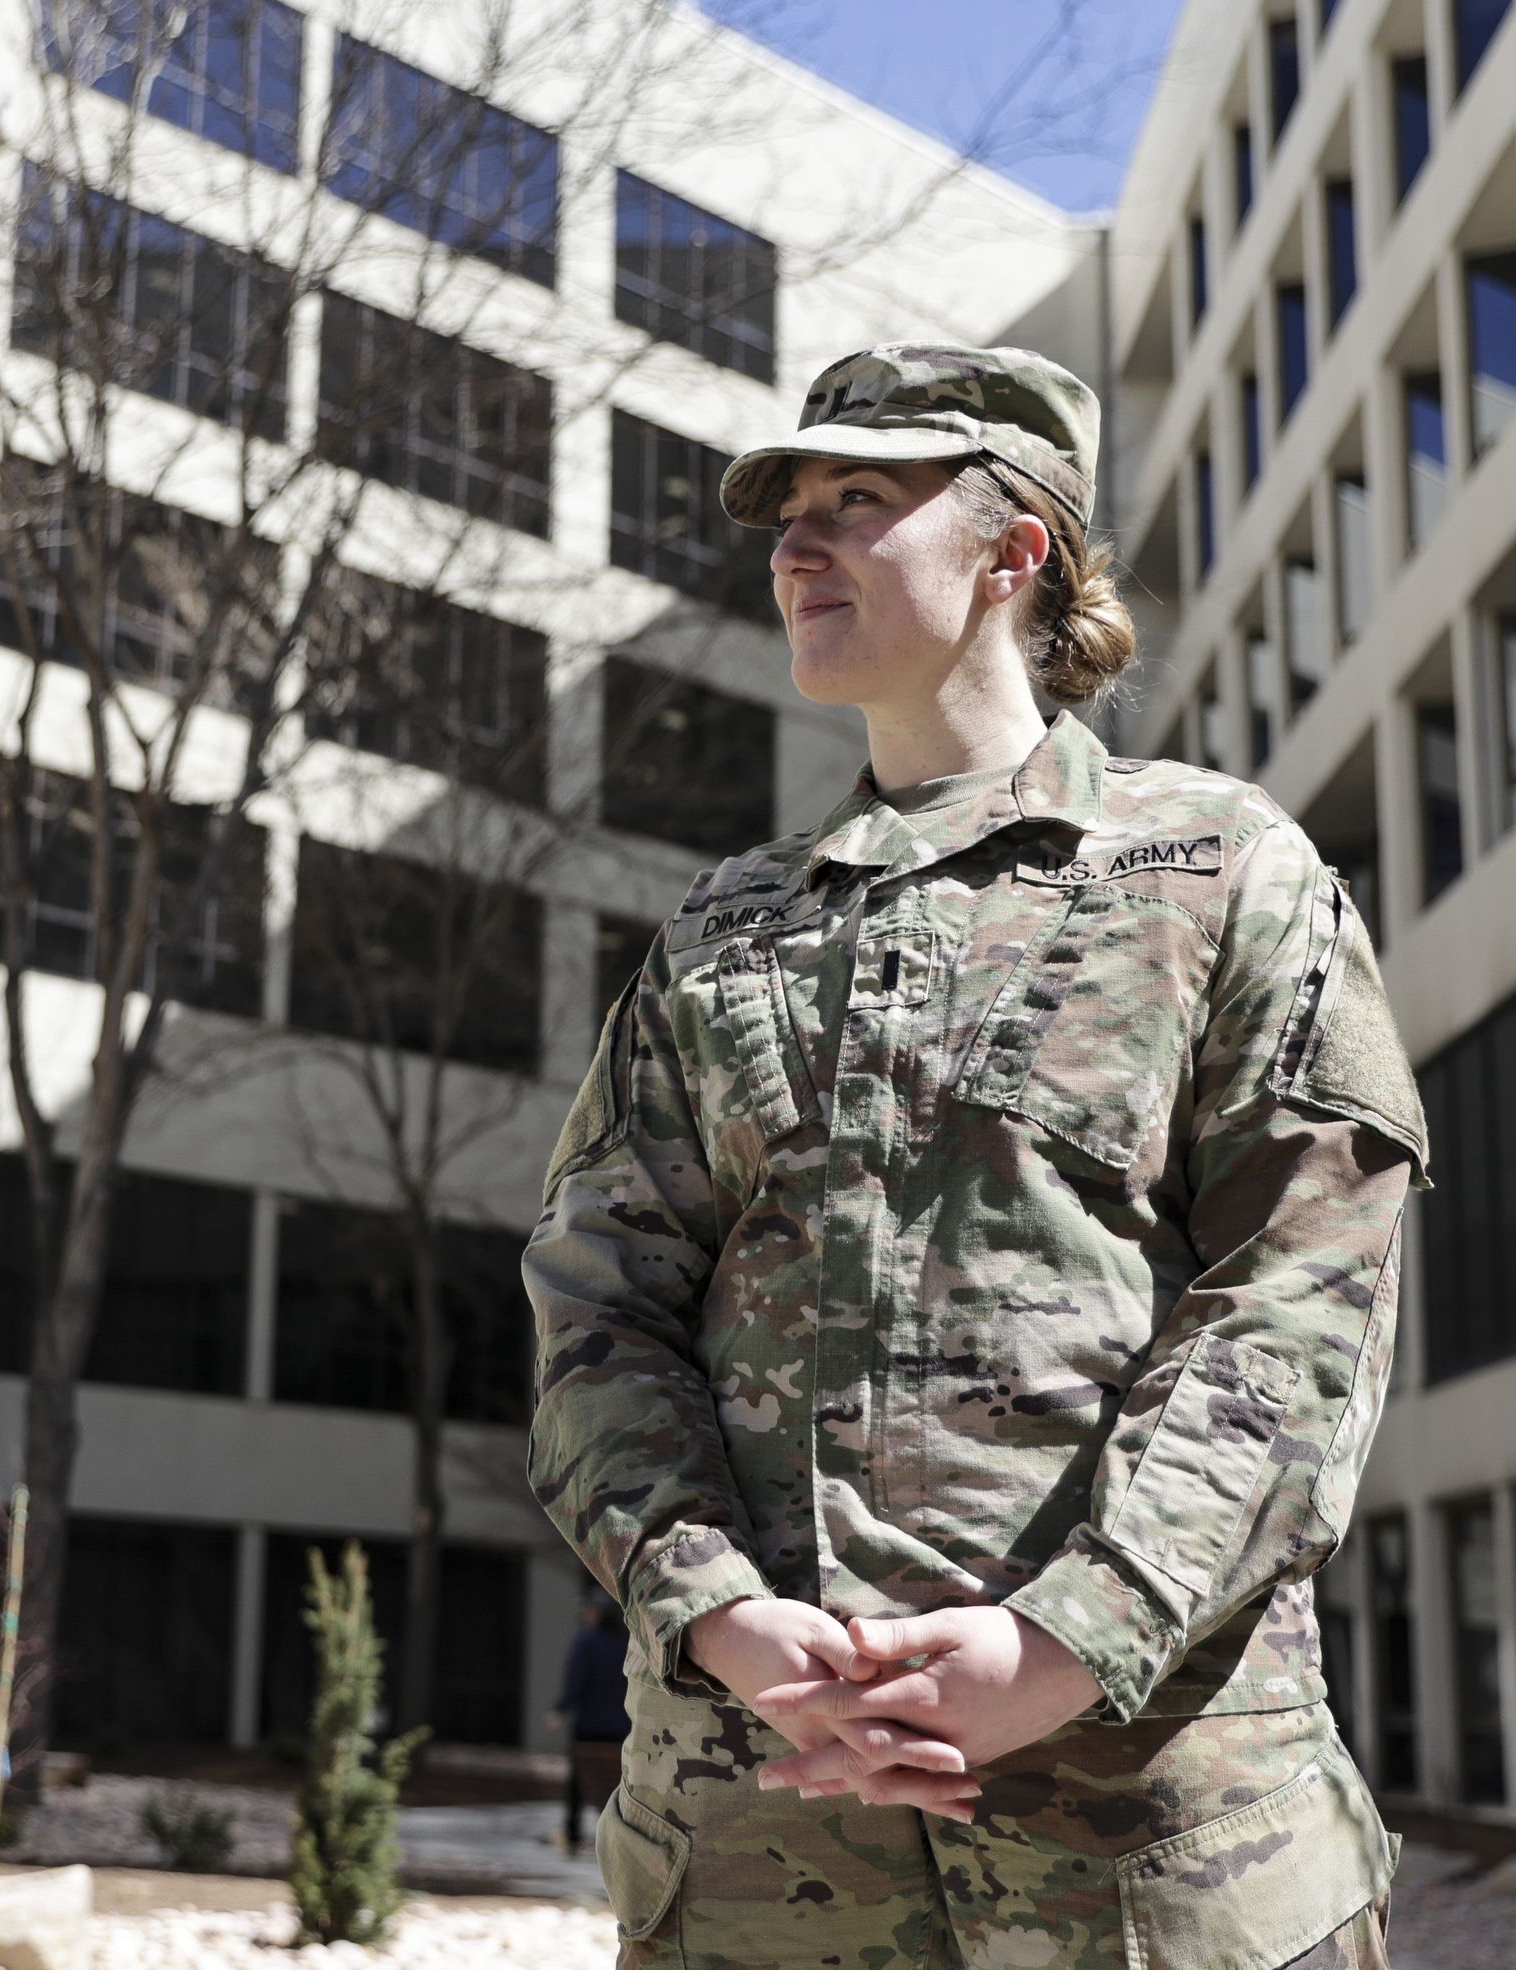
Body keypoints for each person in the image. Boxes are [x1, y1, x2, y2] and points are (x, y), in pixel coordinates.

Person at [523, 343, 1427, 1970]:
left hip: (1157, 1870)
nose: (796, 548)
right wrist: (728, 1619)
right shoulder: (723, 934)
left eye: (856, 503)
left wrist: (1066, 1642)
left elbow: (1303, 1303)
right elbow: (598, 1312)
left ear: (1017, 550)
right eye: (788, 514)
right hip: (757, 1872)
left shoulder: (1221, 869)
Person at [547, 1591, 632, 1851]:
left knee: (578, 1782)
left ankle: (572, 1834)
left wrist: (559, 1711)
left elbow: (575, 1682)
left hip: (589, 1729)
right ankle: (622, 1838)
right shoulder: (629, 1642)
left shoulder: (586, 1642)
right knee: (622, 1784)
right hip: (623, 1729)